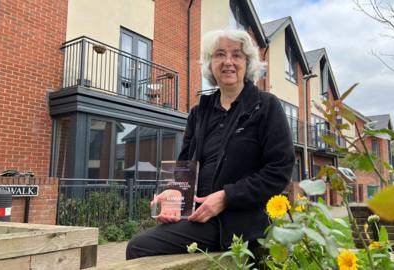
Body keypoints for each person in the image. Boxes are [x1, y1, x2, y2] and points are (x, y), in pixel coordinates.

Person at [126, 29, 295, 259]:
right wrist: (172, 195)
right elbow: (184, 167)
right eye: (219, 54)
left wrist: (226, 197)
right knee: (143, 244)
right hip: (198, 217)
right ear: (210, 63)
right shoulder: (199, 112)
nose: (228, 62)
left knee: (138, 248)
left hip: (240, 221)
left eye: (236, 55)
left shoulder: (265, 106)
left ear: (247, 63)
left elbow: (279, 171)